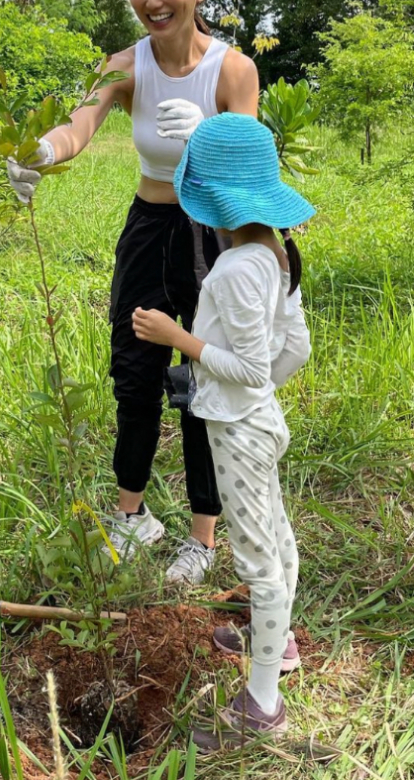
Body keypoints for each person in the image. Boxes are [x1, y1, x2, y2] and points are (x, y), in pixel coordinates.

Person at [8, 0, 261, 584]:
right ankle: (132, 516)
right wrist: (42, 153)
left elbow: (254, 169)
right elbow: (79, 124)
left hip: (214, 236)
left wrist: (212, 135)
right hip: (149, 229)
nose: (153, 0)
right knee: (135, 375)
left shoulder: (233, 70)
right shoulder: (125, 64)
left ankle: (202, 540)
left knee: (204, 381)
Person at [133, 112, 313, 742]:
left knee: (258, 558)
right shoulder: (275, 251)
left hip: (237, 431)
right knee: (276, 533)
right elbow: (296, 346)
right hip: (260, 422)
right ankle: (279, 641)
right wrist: (263, 394)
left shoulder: (236, 269)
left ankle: (262, 703)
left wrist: (176, 336)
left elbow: (249, 366)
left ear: (209, 200)